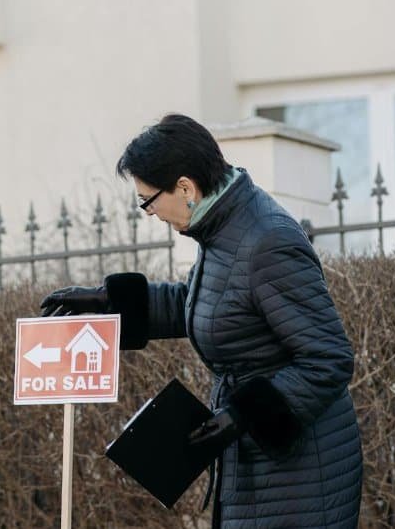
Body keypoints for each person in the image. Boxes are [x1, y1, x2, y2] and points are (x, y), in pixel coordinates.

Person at [40, 113, 362, 528]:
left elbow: (329, 358)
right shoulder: (223, 227)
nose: (150, 213)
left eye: (148, 200)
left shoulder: (267, 241)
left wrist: (245, 413)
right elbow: (198, 304)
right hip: (258, 461)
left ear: (186, 187)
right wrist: (109, 302)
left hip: (300, 473)